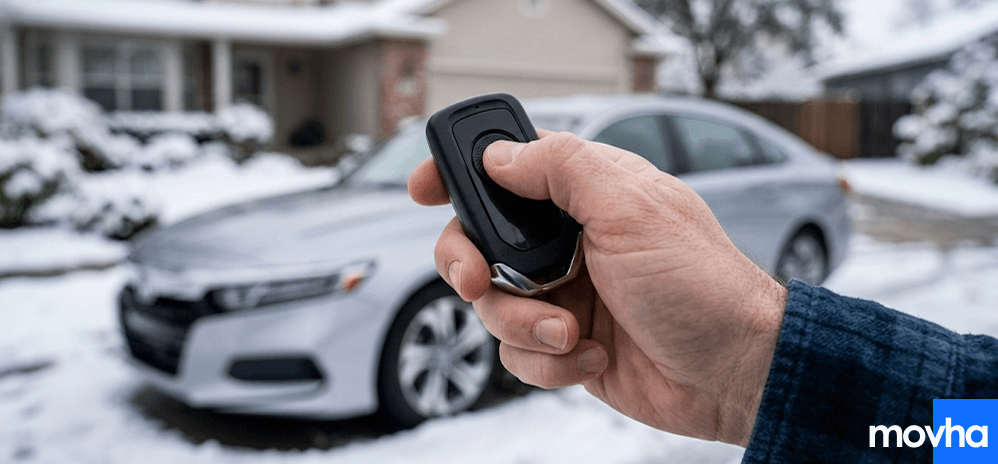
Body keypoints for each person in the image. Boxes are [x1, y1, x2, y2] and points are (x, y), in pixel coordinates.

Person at [407, 131, 998, 463]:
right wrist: (750, 366)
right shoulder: (980, 430)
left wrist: (752, 368)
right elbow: (979, 432)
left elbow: (976, 433)